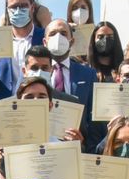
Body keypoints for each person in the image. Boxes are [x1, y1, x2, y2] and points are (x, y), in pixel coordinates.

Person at [40, 21, 99, 149]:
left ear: (71, 41)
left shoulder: (88, 74)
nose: (58, 37)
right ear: (45, 42)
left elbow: (94, 120)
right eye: (53, 33)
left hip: (76, 148)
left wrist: (84, 145)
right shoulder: (36, 73)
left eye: (63, 33)